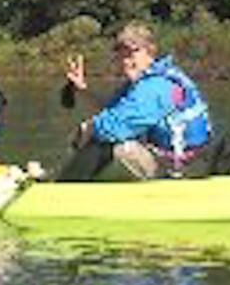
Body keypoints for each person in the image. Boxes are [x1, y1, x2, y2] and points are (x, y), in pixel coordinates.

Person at [56, 21, 211, 181]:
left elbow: (114, 128)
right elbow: (113, 110)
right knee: (104, 135)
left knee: (115, 145)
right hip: (171, 159)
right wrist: (83, 89)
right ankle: (67, 182)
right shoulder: (146, 81)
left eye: (131, 54)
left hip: (182, 169)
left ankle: (62, 188)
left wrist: (88, 128)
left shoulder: (155, 86)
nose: (125, 61)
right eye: (121, 55)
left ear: (150, 52)